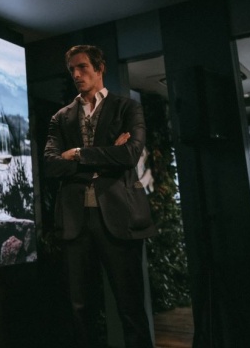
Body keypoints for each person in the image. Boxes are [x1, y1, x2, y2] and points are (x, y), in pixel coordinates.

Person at [44, 45, 157, 348]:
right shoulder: (61, 117)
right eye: (72, 70)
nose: (77, 74)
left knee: (130, 306)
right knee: (80, 309)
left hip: (119, 216)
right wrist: (109, 153)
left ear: (100, 68)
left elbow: (130, 154)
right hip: (76, 219)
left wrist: (79, 154)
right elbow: (51, 164)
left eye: (82, 67)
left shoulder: (127, 108)